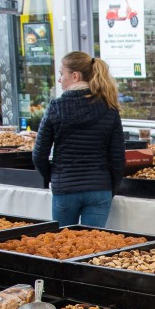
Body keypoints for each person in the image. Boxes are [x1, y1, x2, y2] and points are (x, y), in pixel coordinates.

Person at [33, 52, 124, 228]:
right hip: (99, 188)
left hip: (65, 187)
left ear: (75, 76)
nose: (59, 80)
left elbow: (39, 156)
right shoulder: (109, 108)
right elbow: (118, 158)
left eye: (61, 74)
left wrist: (55, 177)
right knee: (94, 250)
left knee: (63, 247)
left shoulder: (55, 107)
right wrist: (109, 188)